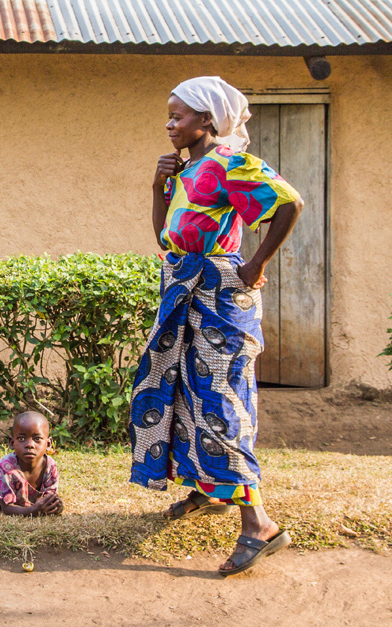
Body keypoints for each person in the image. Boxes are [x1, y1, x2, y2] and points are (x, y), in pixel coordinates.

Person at [129, 76, 303, 576]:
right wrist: (158, 187)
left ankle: (259, 524)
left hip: (221, 300)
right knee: (184, 390)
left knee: (221, 402)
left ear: (206, 120)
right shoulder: (186, 172)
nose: (169, 124)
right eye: (168, 114)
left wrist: (257, 265)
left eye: (178, 116)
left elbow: (289, 204)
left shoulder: (228, 164)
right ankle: (210, 490)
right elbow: (167, 239)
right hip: (184, 292)